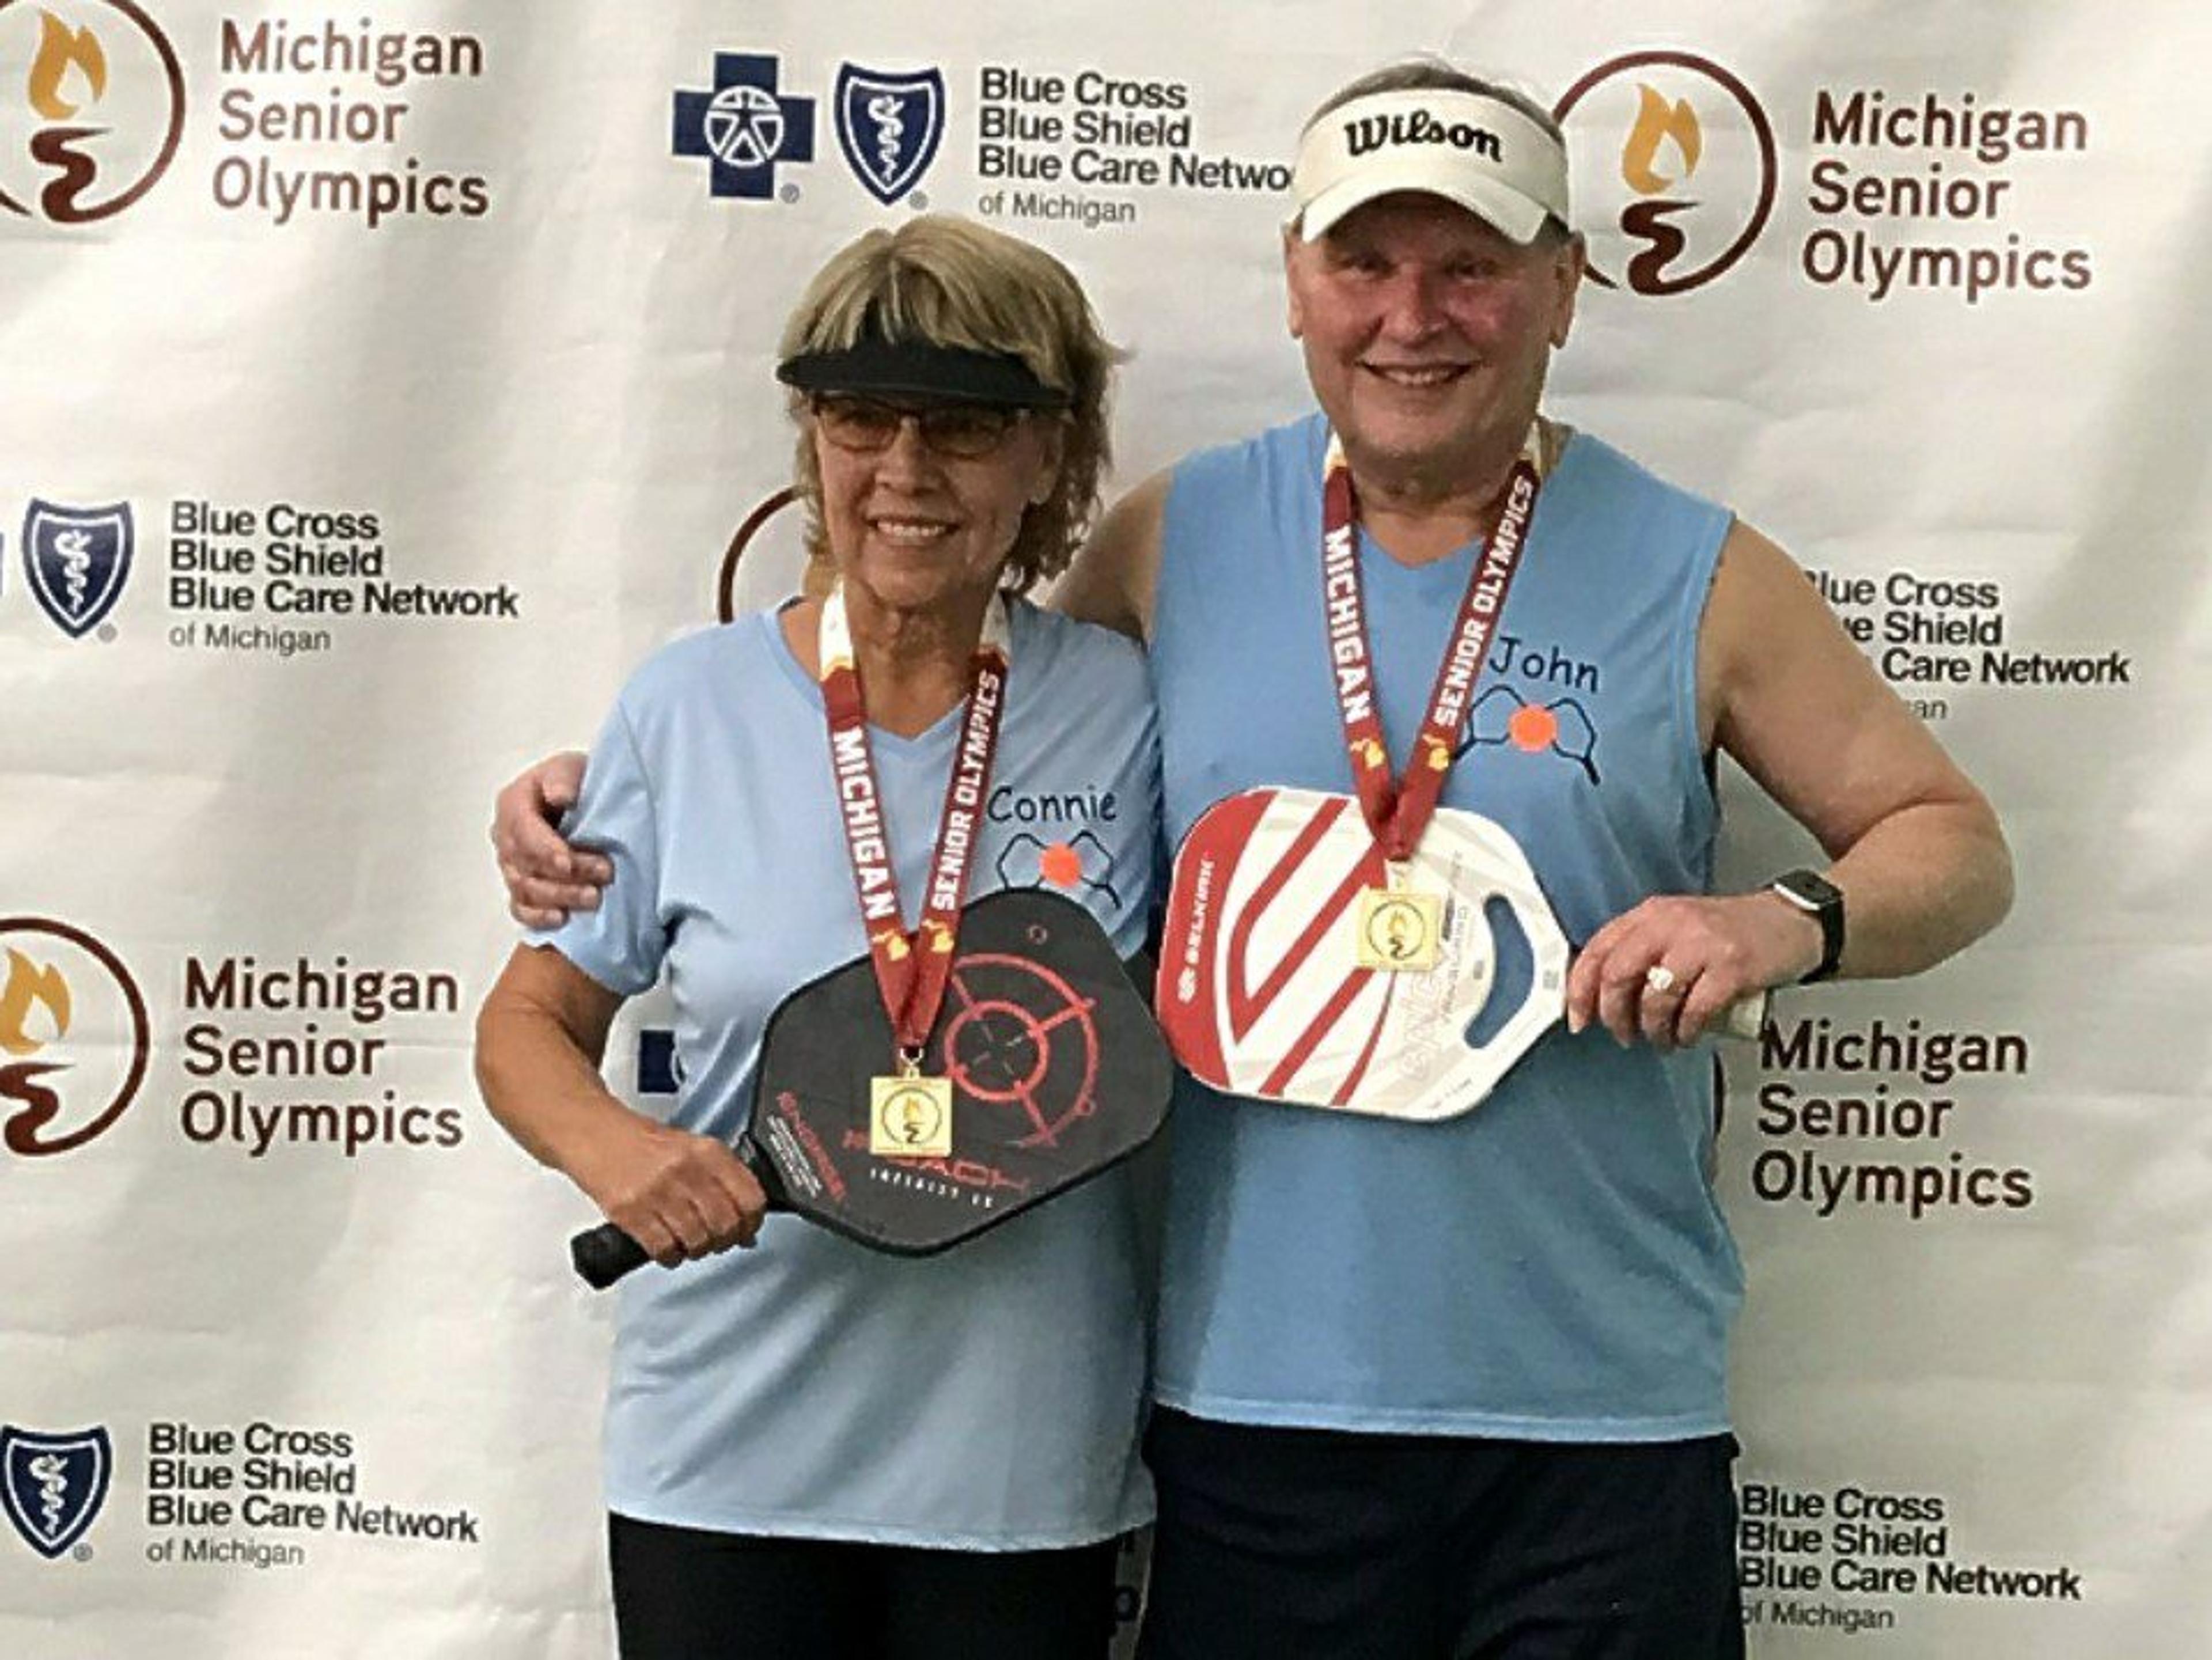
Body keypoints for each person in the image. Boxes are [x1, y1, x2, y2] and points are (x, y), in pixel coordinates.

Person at [495, 60, 2014, 1660]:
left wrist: (1782, 918)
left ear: (1563, 288)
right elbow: (930, 753)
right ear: (1298, 281)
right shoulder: (1177, 540)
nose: (1412, 316)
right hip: (1247, 1418)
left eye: (1471, 266)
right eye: (1366, 262)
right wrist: (586, 810)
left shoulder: (1700, 568)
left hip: (1599, 1417)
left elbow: (1955, 847)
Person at [474, 215, 1157, 1660]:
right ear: (813, 441)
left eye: (966, 427)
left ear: (1049, 456)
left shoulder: (1133, 707)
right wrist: (627, 1156)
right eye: (861, 418)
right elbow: (527, 1024)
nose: (906, 471)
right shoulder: (688, 703)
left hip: (1017, 1462)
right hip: (726, 1446)